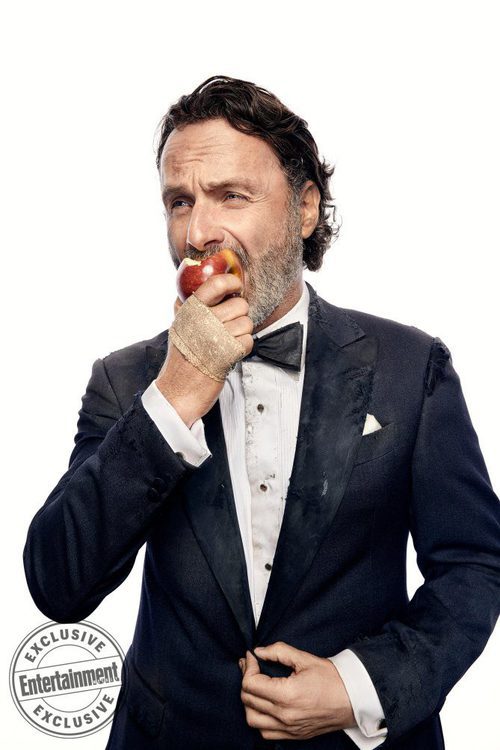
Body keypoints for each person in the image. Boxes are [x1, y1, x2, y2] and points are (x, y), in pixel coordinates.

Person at [24, 75, 500, 750]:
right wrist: (174, 398)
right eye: (179, 201)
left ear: (304, 209)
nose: (197, 232)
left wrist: (360, 686)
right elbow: (58, 584)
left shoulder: (411, 367)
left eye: (231, 196)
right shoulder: (125, 380)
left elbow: (475, 565)